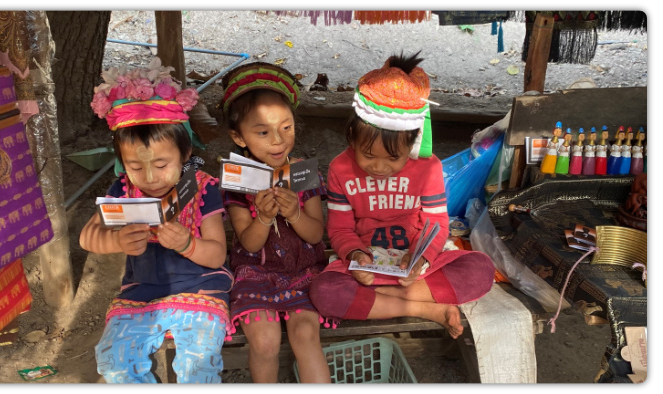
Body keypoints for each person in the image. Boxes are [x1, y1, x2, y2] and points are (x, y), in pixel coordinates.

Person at [309, 52, 495, 339]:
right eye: (368, 155)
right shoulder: (340, 168)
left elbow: (436, 224)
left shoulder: (428, 167)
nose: (379, 167)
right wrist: (356, 254)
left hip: (415, 269)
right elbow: (340, 228)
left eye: (393, 158)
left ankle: (384, 301)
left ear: (412, 142)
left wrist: (422, 259)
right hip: (367, 268)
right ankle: (425, 308)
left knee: (481, 269)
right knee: (324, 292)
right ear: (351, 137)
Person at [80, 58, 233, 383]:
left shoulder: (202, 188)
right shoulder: (123, 189)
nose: (149, 177)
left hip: (201, 290)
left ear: (185, 154)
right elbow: (87, 236)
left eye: (162, 164)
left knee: (197, 367)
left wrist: (187, 244)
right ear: (122, 163)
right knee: (115, 362)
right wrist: (115, 241)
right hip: (141, 293)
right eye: (135, 166)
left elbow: (218, 255)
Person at [220, 62, 331, 383]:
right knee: (266, 341)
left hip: (303, 271)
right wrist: (265, 217)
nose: (278, 140)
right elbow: (249, 243)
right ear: (238, 137)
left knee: (306, 335)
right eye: (262, 132)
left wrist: (295, 213)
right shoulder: (238, 180)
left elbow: (315, 234)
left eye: (287, 127)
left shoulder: (303, 172)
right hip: (255, 274)